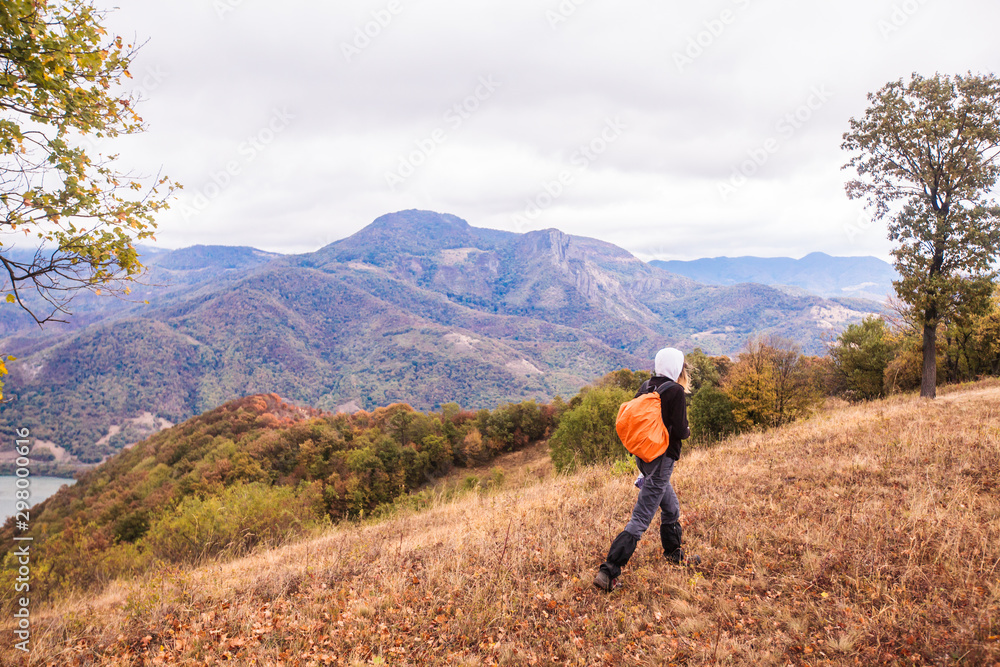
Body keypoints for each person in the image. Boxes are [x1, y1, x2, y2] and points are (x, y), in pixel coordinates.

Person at [593, 347, 696, 592]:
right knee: (641, 517)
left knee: (671, 507)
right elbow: (681, 431)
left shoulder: (647, 384)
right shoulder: (676, 392)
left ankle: (674, 554)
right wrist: (687, 431)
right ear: (678, 369)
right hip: (661, 461)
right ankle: (608, 571)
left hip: (643, 457)